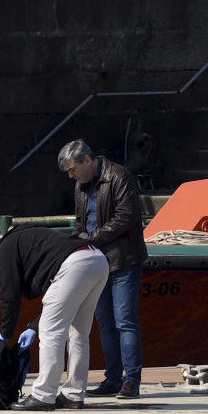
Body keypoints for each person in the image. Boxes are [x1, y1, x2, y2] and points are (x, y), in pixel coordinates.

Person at [58, 139, 147, 399]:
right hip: (96, 261)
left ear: (87, 160)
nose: (71, 175)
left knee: (125, 321)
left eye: (72, 169)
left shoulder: (120, 176)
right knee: (105, 322)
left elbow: (126, 217)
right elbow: (79, 222)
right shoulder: (80, 186)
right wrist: (76, 242)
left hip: (123, 259)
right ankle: (113, 378)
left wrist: (91, 238)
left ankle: (131, 379)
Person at [0, 225, 109, 411]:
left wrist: (5, 335)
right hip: (97, 259)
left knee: (51, 333)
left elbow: (9, 298)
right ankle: (73, 395)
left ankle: (43, 395)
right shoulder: (29, 242)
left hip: (74, 265)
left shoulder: (2, 251)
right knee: (78, 334)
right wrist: (34, 327)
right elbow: (57, 301)